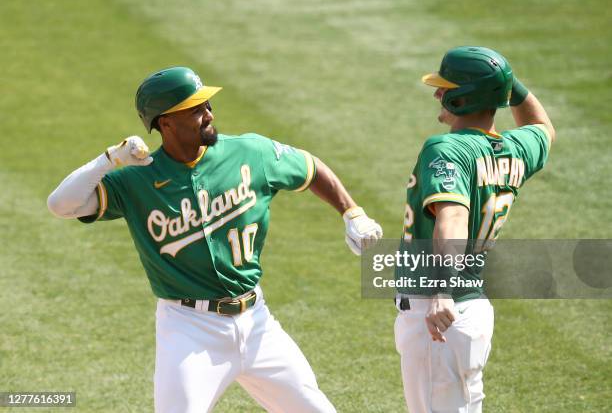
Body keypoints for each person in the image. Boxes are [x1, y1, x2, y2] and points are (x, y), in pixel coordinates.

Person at [47, 66, 382, 413]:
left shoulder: (251, 152)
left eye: (206, 104)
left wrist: (351, 212)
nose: (208, 114)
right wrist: (109, 160)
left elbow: (310, 167)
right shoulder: (137, 181)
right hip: (189, 330)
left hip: (257, 323)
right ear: (166, 123)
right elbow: (61, 205)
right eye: (196, 109)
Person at [394, 47, 555, 412]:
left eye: (445, 87)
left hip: (439, 315)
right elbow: (543, 128)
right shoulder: (516, 148)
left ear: (467, 96)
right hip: (471, 309)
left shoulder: (447, 149)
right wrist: (506, 83)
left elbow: (451, 219)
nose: (438, 94)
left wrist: (441, 291)